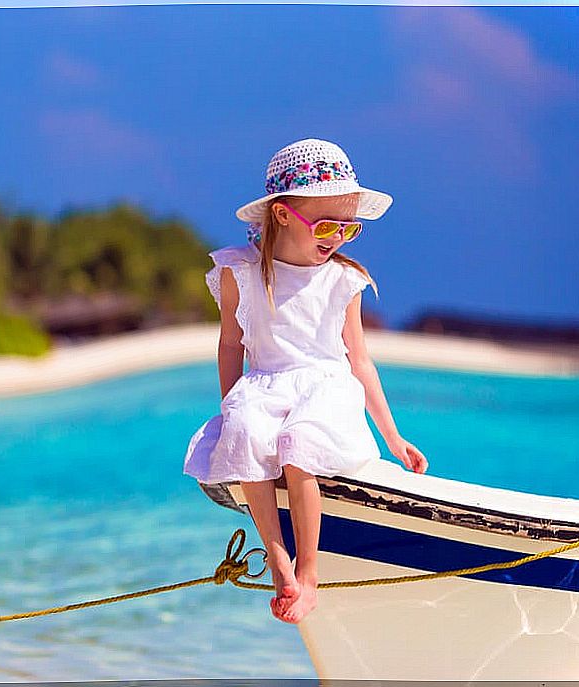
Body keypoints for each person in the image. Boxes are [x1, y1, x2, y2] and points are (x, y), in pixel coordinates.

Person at [183, 138, 429, 625]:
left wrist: (394, 437)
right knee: (247, 430)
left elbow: (359, 361)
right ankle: (279, 563)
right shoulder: (241, 272)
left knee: (300, 444)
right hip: (267, 383)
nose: (336, 237)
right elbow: (232, 344)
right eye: (326, 225)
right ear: (280, 215)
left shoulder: (343, 280)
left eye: (349, 228)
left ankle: (309, 571)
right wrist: (232, 404)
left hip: (327, 387)